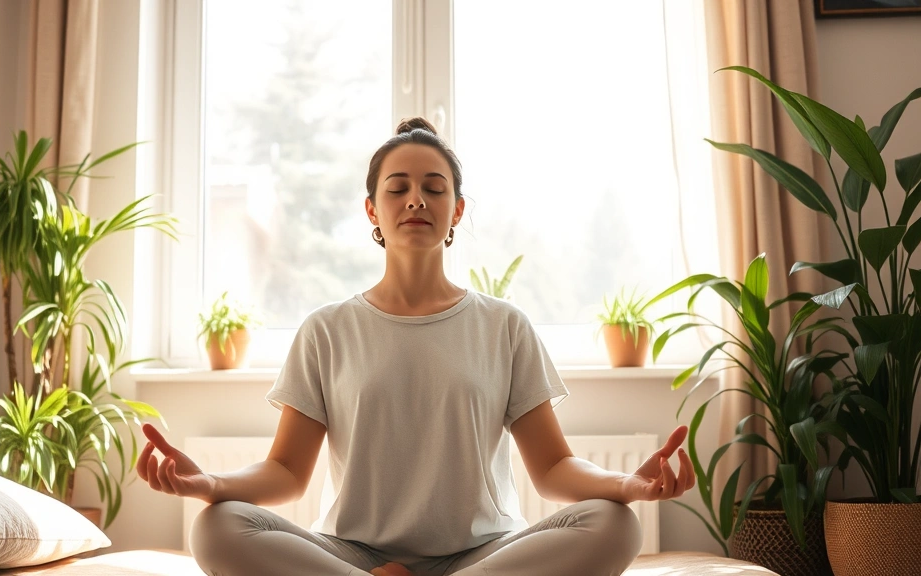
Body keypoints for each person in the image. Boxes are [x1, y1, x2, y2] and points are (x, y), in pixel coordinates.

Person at [138, 117, 696, 576]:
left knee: (616, 523)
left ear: (456, 210)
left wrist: (627, 485)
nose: (415, 201)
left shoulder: (504, 325)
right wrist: (211, 484)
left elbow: (553, 467)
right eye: (397, 188)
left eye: (434, 188)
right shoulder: (326, 329)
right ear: (372, 210)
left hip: (484, 554)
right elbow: (286, 471)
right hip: (353, 554)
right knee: (216, 527)